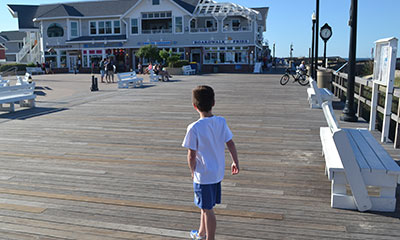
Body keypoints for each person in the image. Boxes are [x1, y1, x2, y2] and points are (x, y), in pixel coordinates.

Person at [182, 85, 239, 240]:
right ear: (213, 102)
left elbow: (191, 155)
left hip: (204, 175)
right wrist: (235, 162)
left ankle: (210, 238)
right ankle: (201, 233)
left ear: (194, 106)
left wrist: (192, 170)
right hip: (217, 173)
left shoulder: (194, 128)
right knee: (205, 206)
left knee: (208, 209)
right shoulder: (221, 121)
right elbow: (231, 143)